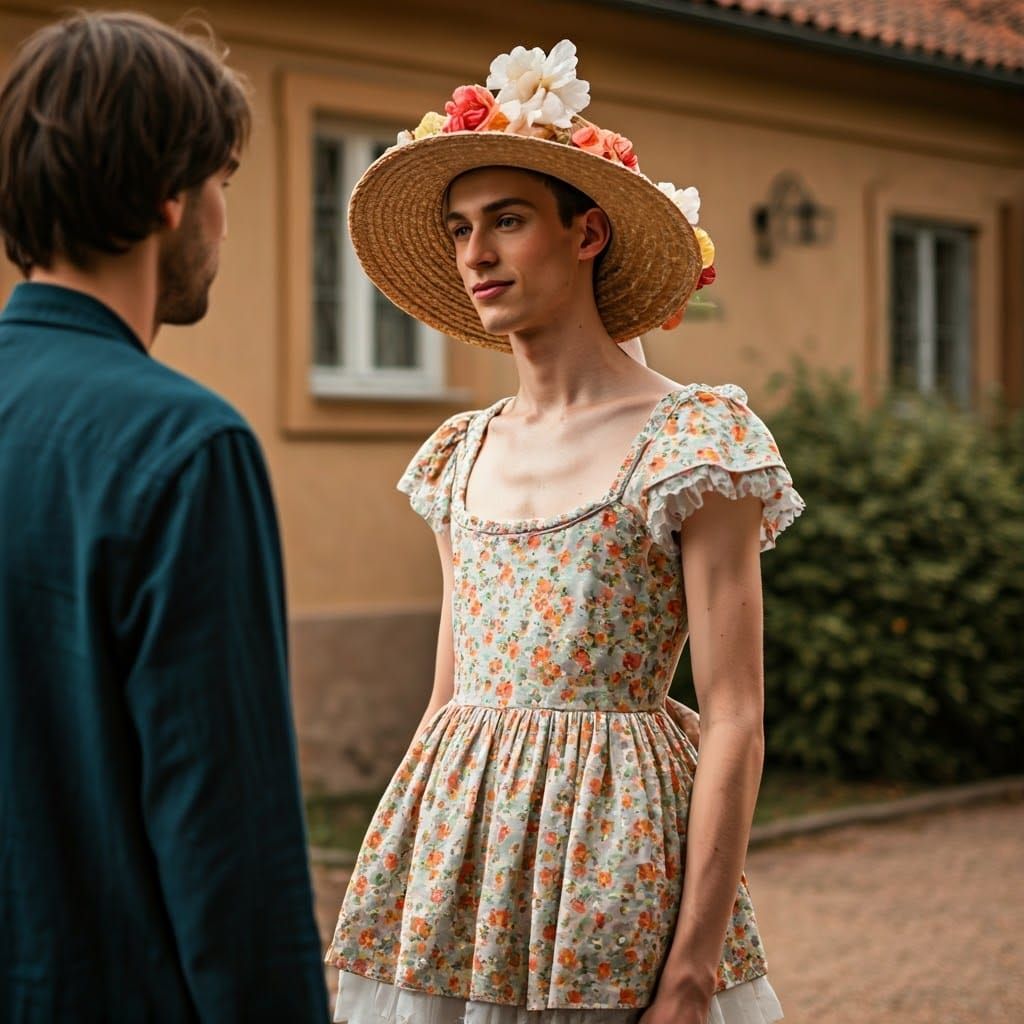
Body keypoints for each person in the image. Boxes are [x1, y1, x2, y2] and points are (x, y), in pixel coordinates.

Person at [326, 39, 804, 1024]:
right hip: (456, 871)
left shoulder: (692, 442)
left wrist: (689, 971)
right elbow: (448, 699)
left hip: (614, 866)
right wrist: (401, 883)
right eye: (460, 228)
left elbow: (737, 718)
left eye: (506, 220)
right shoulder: (458, 451)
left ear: (586, 233)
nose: (475, 254)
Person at [0, 12, 328, 1021]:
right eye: (225, 181)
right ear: (170, 197)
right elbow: (233, 857)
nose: (226, 216)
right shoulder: (185, 449)